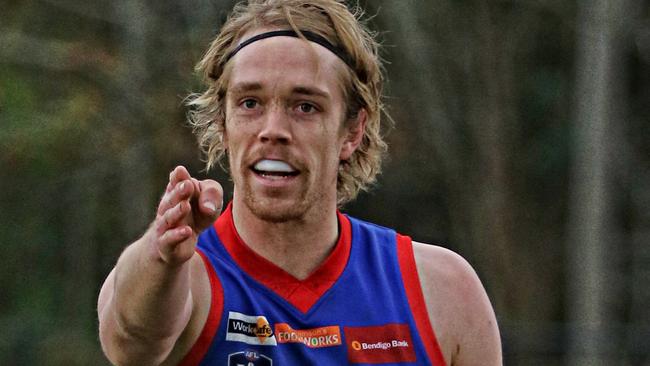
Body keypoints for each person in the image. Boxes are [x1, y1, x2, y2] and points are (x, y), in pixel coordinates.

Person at [97, 0, 502, 365]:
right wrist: (163, 252)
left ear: (352, 131)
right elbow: (132, 343)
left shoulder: (442, 292)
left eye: (305, 106)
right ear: (222, 122)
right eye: (250, 103)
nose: (273, 130)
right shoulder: (185, 277)